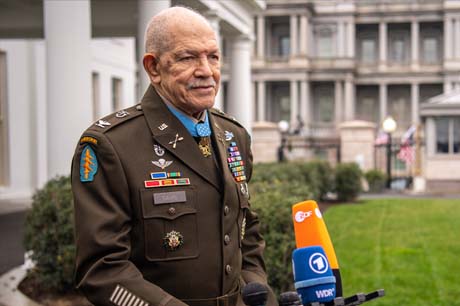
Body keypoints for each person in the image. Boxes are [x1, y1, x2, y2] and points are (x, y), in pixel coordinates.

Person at [71, 6, 277, 306]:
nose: (206, 70)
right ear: (154, 68)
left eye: (213, 56)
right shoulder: (110, 145)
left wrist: (255, 293)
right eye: (187, 57)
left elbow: (246, 233)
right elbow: (101, 270)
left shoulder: (234, 136)